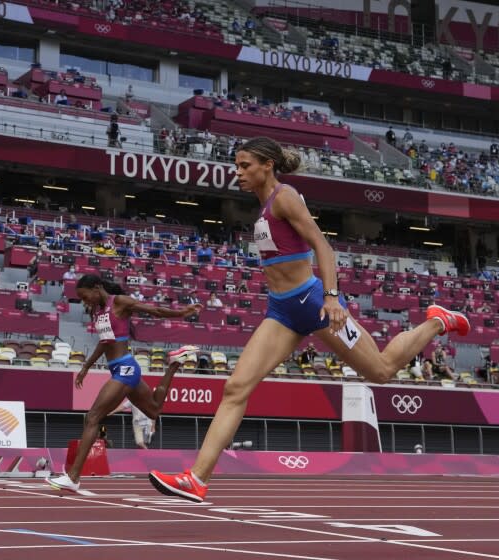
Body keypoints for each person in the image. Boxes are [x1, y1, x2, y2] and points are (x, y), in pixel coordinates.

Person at [149, 136, 470, 501]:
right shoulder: (263, 207)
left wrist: (332, 298)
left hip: (314, 303)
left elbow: (324, 247)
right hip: (282, 311)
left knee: (381, 371)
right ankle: (197, 478)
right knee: (237, 388)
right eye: (236, 166)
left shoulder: (284, 196)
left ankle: (436, 322)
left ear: (267, 165)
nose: (237, 173)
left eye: (245, 166)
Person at [46, 274, 202, 493]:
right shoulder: (97, 311)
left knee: (92, 417)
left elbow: (154, 311)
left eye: (85, 296)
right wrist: (86, 367)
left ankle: (73, 477)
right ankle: (175, 363)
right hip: (123, 369)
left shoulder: (119, 302)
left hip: (125, 369)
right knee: (154, 410)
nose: (84, 302)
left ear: (97, 288)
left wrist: (182, 313)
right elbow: (104, 342)